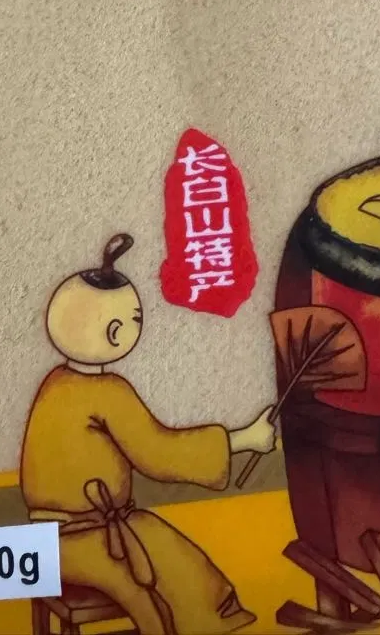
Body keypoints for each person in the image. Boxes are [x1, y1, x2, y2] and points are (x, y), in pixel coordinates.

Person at [20, 234, 275, 635]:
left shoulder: (54, 384)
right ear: (115, 332)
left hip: (66, 535)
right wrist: (244, 438)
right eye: (136, 320)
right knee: (166, 588)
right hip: (80, 539)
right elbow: (159, 452)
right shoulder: (108, 392)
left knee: (171, 554)